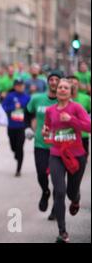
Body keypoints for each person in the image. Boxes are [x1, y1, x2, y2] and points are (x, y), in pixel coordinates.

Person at [42, 78, 91, 243]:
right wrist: (45, 131)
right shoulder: (50, 110)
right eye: (60, 87)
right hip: (57, 155)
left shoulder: (76, 107)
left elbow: (89, 127)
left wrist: (71, 119)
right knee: (60, 191)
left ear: (71, 92)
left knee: (71, 192)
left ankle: (75, 198)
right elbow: (48, 128)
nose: (62, 89)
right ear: (56, 91)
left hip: (76, 156)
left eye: (66, 88)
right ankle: (62, 232)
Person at [25, 70, 62, 219]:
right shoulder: (37, 99)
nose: (53, 82)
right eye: (51, 79)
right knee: (41, 174)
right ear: (48, 82)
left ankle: (55, 207)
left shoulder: (64, 101)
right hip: (40, 144)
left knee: (57, 178)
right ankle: (45, 192)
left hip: (60, 146)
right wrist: (27, 127)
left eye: (56, 79)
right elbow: (27, 113)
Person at [2, 79, 31, 176]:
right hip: (11, 126)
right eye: (18, 85)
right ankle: (16, 153)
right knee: (13, 146)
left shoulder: (27, 97)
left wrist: (24, 108)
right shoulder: (10, 96)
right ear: (15, 87)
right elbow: (4, 107)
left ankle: (18, 169)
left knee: (20, 147)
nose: (20, 87)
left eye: (21, 85)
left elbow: (30, 110)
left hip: (22, 126)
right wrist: (13, 108)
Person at [67, 75, 91, 156]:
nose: (73, 86)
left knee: (82, 162)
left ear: (79, 85)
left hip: (83, 134)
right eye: (70, 83)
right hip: (66, 135)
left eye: (75, 84)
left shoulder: (86, 98)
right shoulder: (61, 99)